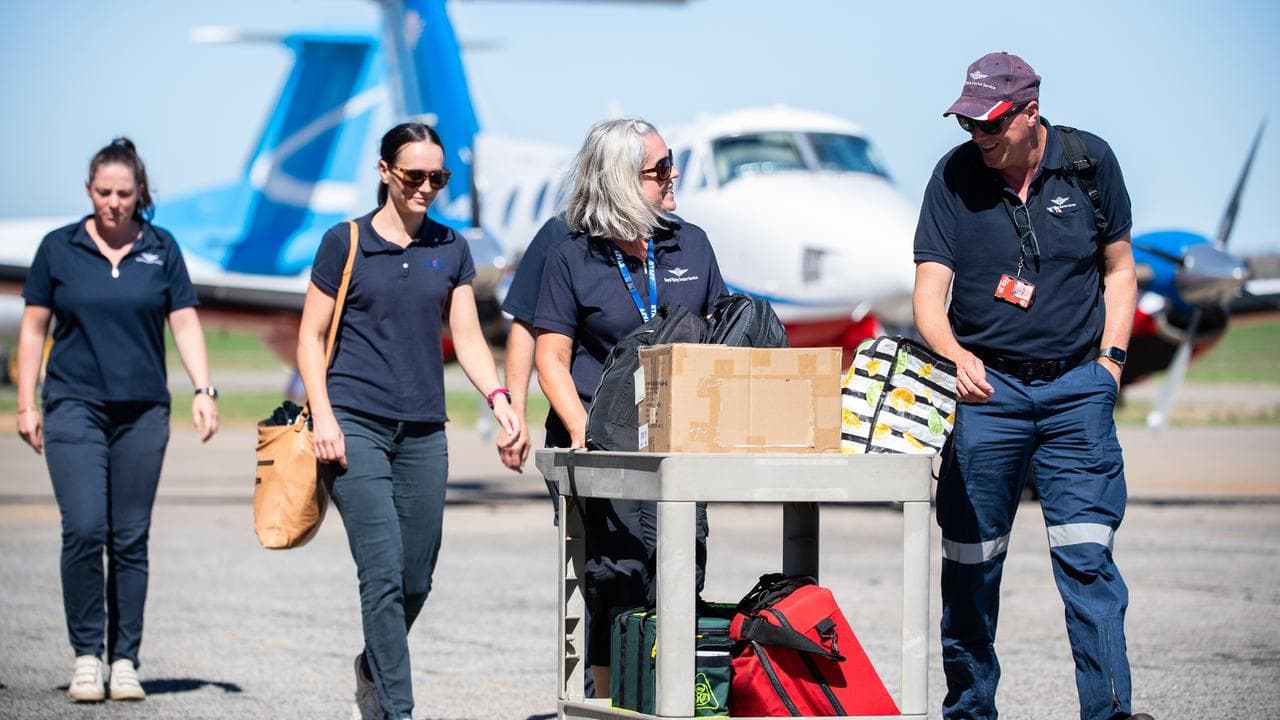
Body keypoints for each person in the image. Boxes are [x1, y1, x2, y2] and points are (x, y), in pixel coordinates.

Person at [912, 52, 1153, 720]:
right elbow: (930, 291)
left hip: (1077, 391)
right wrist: (954, 353)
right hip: (987, 396)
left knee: (1088, 562)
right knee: (970, 567)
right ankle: (969, 712)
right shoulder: (954, 177)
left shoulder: (1089, 164)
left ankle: (1108, 714)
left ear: (1028, 114)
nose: (977, 138)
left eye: (990, 125)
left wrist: (1110, 364)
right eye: (968, 124)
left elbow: (1120, 269)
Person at [296, 121, 519, 720]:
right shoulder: (343, 242)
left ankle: (372, 666)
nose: (426, 187)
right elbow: (311, 337)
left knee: (415, 578)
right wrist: (323, 415)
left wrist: (499, 400)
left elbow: (467, 336)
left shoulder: (451, 248)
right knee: (383, 572)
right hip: (353, 424)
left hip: (423, 429)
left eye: (437, 177)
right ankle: (396, 709)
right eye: (414, 175)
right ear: (385, 172)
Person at [16, 137, 219, 703]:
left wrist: (204, 389)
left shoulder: (161, 247)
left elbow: (184, 322)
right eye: (103, 193)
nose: (113, 203)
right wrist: (26, 401)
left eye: (124, 194)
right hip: (73, 406)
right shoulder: (58, 249)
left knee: (129, 538)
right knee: (83, 529)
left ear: (139, 193)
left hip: (143, 411)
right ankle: (87, 656)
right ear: (88, 191)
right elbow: (34, 328)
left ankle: (125, 659)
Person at [534, 118, 726, 695]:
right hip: (603, 439)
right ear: (619, 181)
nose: (673, 177)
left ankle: (665, 697)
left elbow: (721, 336)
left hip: (678, 442)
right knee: (616, 574)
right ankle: (614, 699)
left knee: (679, 570)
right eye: (658, 169)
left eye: (672, 163)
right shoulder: (572, 254)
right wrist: (581, 434)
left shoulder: (690, 241)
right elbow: (551, 357)